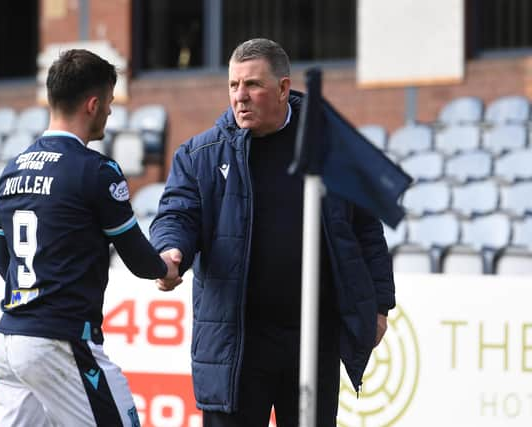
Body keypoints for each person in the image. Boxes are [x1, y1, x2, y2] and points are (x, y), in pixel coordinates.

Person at [150, 38, 395, 427]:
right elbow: (177, 215)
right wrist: (171, 251)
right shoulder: (199, 155)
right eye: (233, 85)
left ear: (283, 88)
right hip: (236, 343)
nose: (240, 97)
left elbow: (366, 231)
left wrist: (381, 306)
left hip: (313, 340)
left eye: (252, 85)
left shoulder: (328, 149)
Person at [0, 49, 180, 427]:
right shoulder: (96, 171)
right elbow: (138, 259)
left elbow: (2, 262)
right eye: (109, 103)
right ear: (93, 104)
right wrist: (166, 267)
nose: (110, 112)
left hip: (9, 340)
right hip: (61, 340)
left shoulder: (11, 170)